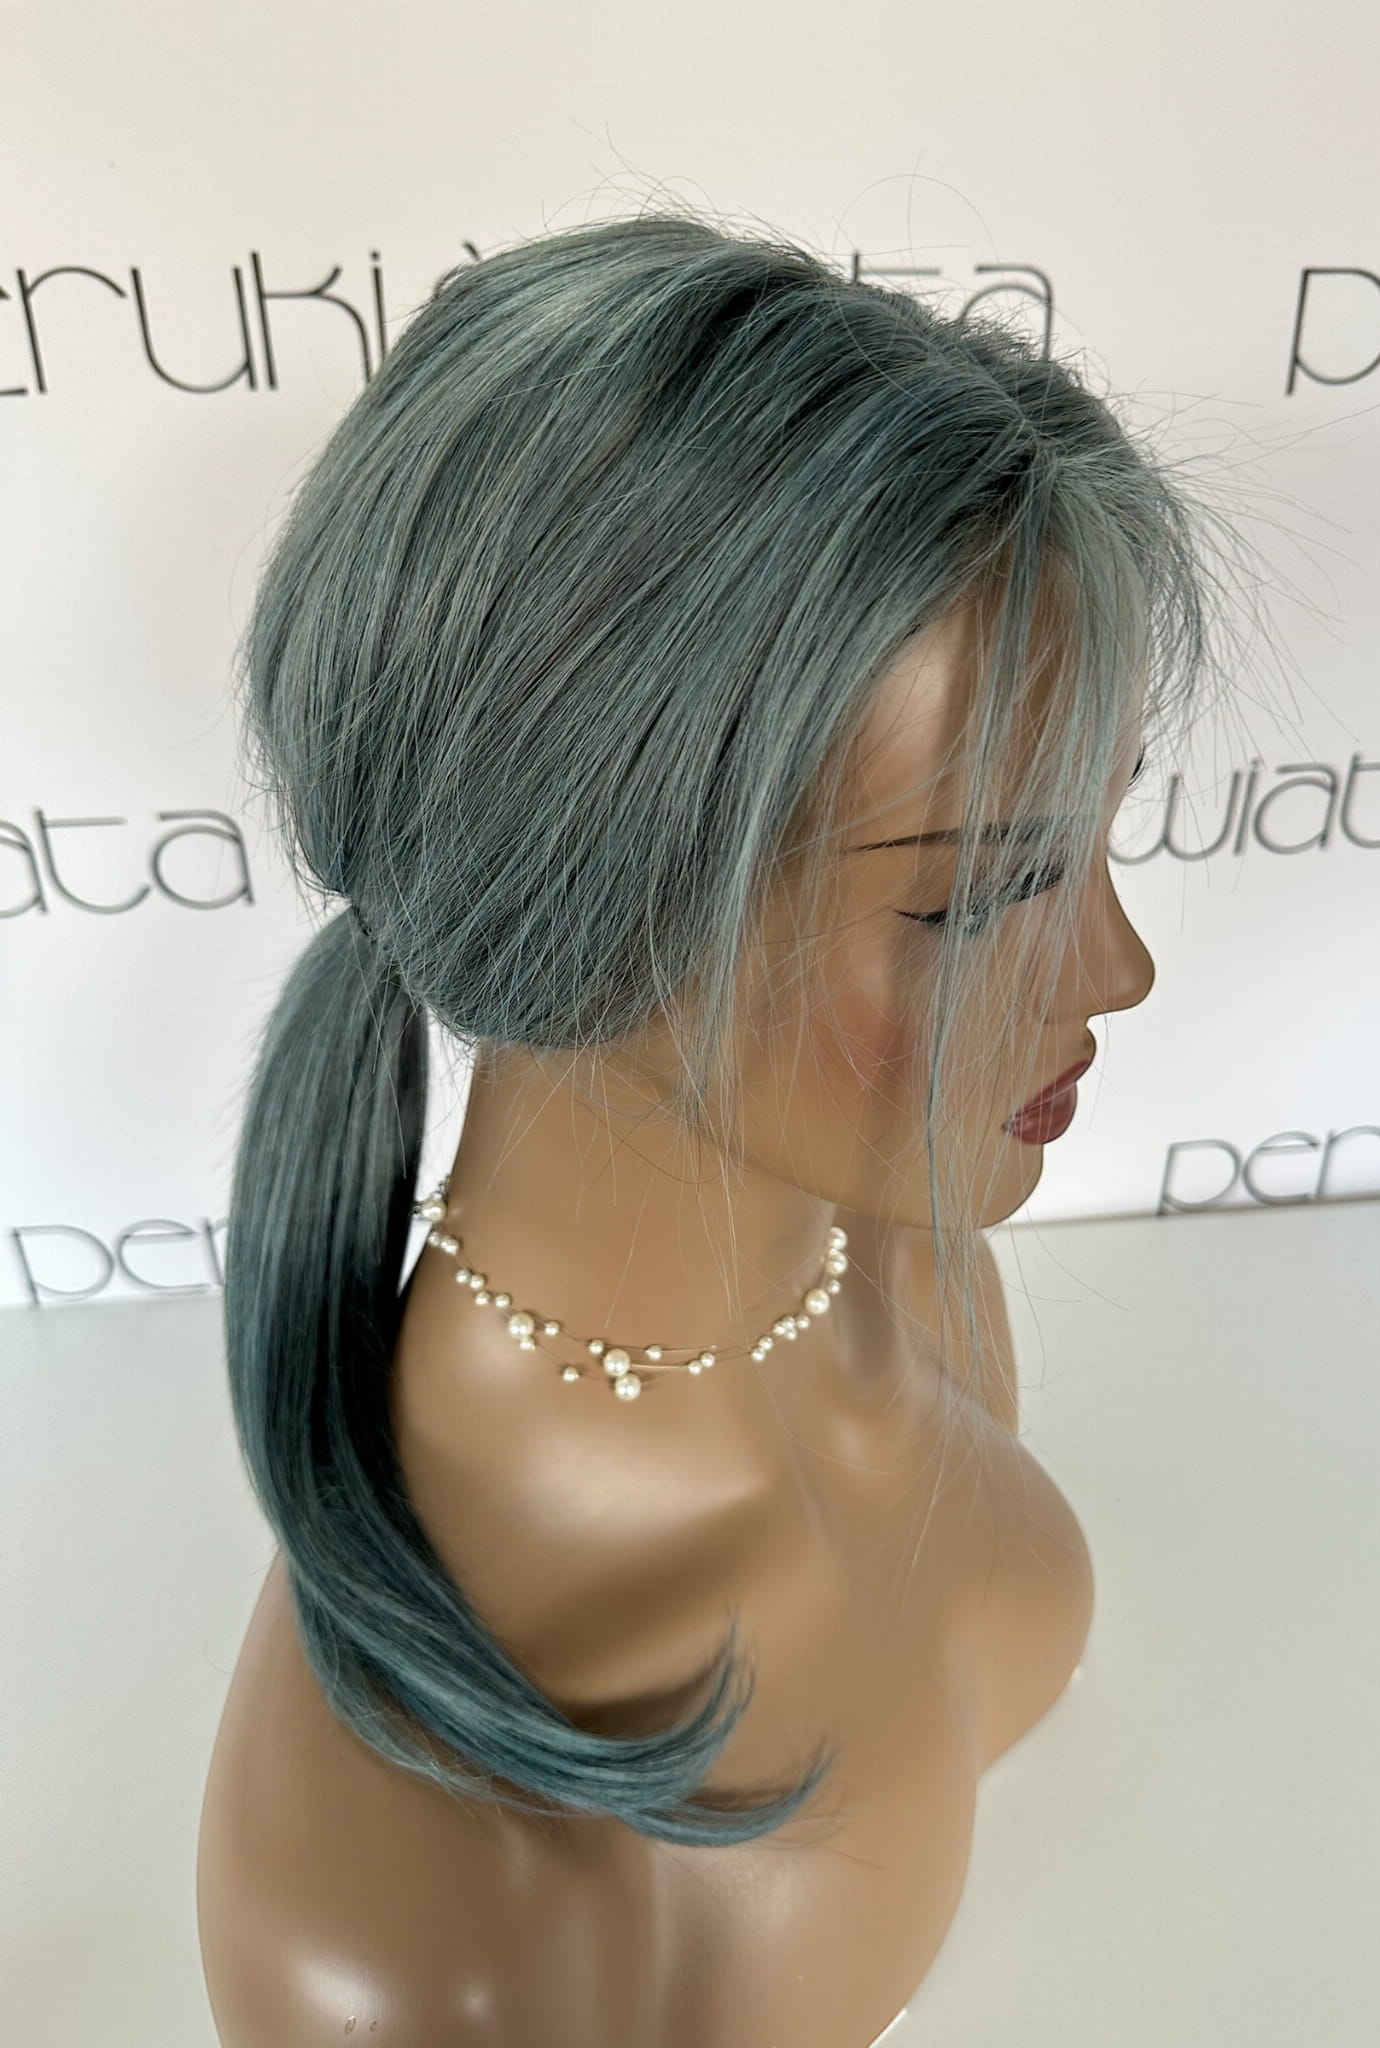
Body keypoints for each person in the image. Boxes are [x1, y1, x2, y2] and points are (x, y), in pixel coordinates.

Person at [197, 208, 1225, 2046]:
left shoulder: (907, 1267)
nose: (1119, 968)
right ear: (591, 917)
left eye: (1096, 839)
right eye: (980, 895)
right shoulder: (452, 1934)